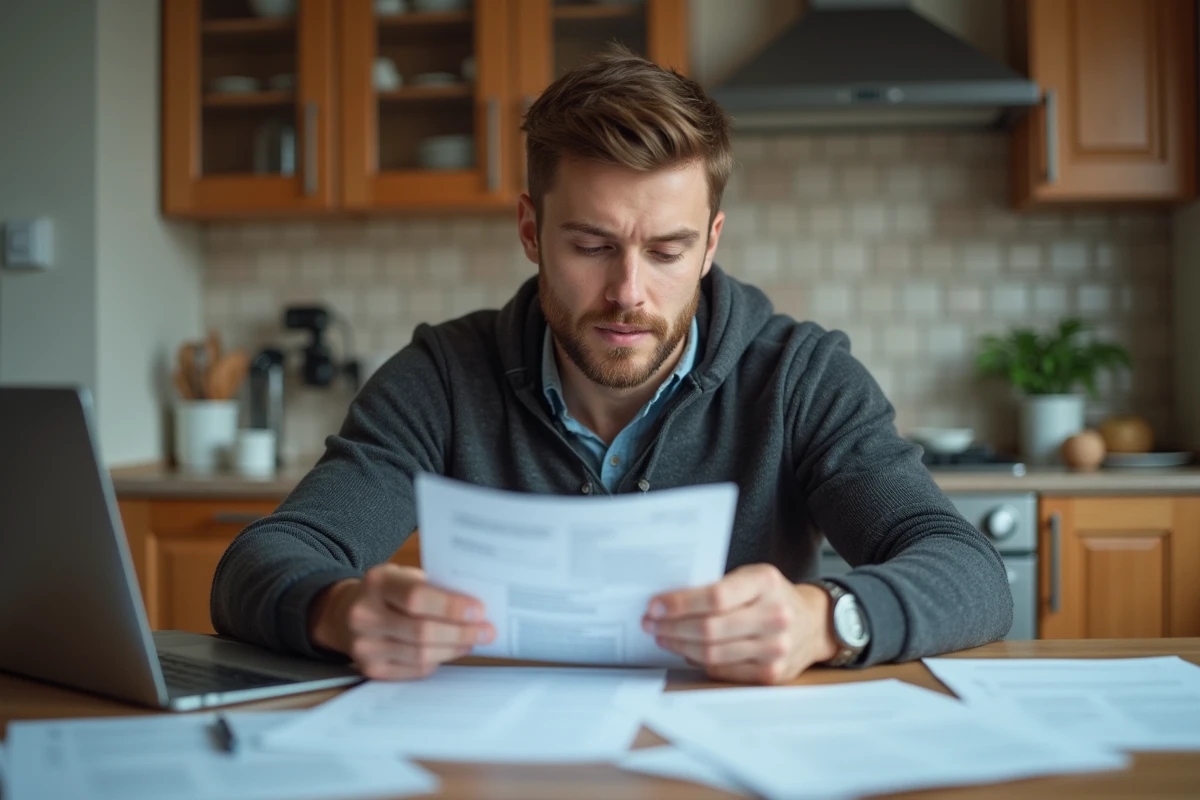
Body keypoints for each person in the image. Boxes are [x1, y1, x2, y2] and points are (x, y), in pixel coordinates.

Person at [211, 47, 1012, 685]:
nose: (628, 292)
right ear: (531, 230)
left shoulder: (799, 377)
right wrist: (338, 608)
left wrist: (825, 619)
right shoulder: (444, 377)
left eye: (667, 250)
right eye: (591, 246)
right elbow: (260, 563)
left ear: (712, 243)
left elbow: (969, 571)